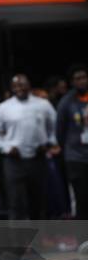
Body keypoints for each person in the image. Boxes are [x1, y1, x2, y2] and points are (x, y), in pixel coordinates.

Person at [0, 74, 58, 219]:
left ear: (29, 85)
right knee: (16, 203)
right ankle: (18, 241)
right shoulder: (4, 107)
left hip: (38, 159)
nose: (20, 88)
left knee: (38, 202)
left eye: (22, 85)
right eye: (16, 86)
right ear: (12, 88)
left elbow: (56, 125)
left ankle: (39, 239)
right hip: (14, 161)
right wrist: (6, 148)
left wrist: (49, 142)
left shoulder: (42, 104)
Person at [56, 65, 88, 219]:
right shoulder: (66, 102)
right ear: (72, 82)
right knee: (80, 199)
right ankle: (83, 239)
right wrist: (69, 148)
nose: (81, 81)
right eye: (77, 79)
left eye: (84, 77)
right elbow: (59, 131)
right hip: (76, 158)